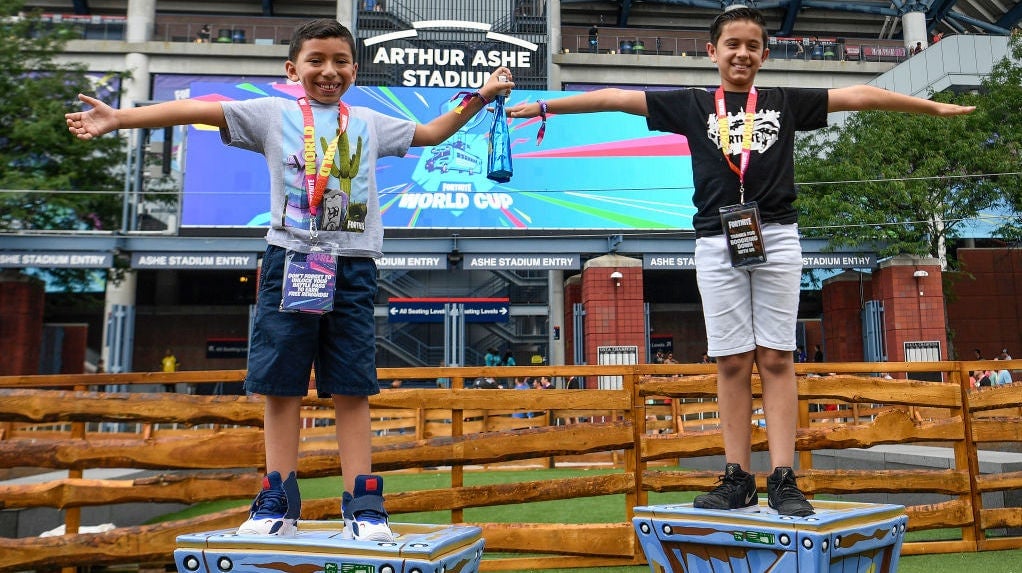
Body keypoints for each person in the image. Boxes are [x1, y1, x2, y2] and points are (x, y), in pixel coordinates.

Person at [506, 5, 973, 517]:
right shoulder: (691, 104)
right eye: (732, 44)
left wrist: (932, 108)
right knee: (731, 361)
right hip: (715, 240)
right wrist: (546, 106)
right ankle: (737, 477)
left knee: (776, 358)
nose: (742, 54)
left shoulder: (783, 102)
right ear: (713, 51)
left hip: (777, 237)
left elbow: (861, 94)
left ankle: (784, 477)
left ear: (765, 55)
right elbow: (615, 98)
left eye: (752, 46)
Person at [67, 18, 515, 541]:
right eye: (316, 60)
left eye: (341, 61)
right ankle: (277, 499)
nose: (329, 71)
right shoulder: (270, 114)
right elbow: (199, 109)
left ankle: (364, 505)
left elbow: (434, 132)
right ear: (292, 69)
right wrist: (120, 117)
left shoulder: (370, 122)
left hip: (353, 266)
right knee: (280, 384)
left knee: (351, 385)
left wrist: (481, 96)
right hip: (292, 262)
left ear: (354, 70)